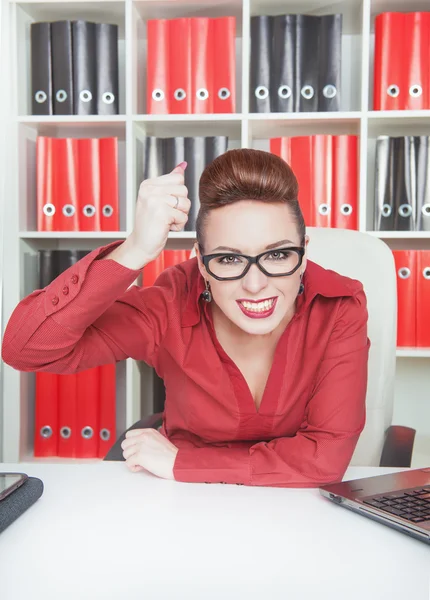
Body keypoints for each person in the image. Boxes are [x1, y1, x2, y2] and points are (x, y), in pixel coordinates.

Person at [1, 148, 370, 488]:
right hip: (182, 505)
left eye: (277, 256)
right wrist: (136, 249)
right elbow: (26, 349)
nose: (255, 285)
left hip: (301, 513)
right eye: (228, 259)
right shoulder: (169, 305)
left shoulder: (338, 306)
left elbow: (324, 460)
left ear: (303, 254)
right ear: (201, 262)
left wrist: (183, 462)